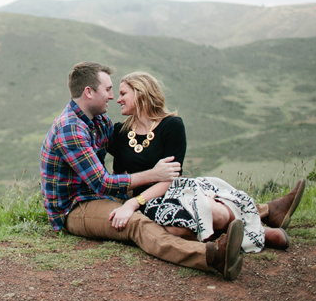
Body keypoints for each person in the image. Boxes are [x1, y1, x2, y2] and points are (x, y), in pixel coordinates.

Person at [41, 62, 245, 280]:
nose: (112, 96)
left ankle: (263, 214)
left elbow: (128, 148)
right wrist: (154, 175)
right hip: (75, 207)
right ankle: (210, 256)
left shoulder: (98, 121)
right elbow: (103, 183)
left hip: (102, 196)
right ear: (89, 92)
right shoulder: (70, 128)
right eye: (108, 90)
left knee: (171, 201)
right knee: (134, 222)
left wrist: (155, 130)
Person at [106, 71, 304, 252]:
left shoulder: (171, 126)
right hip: (148, 202)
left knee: (210, 211)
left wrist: (133, 202)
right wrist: (131, 202)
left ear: (140, 93)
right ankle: (253, 232)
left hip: (174, 189)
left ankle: (255, 231)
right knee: (178, 228)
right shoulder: (119, 133)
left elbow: (170, 178)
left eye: (123, 93)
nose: (118, 99)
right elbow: (122, 177)